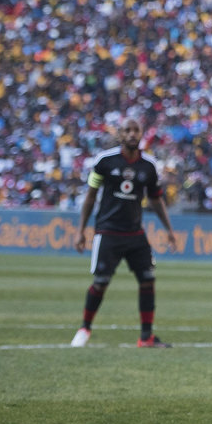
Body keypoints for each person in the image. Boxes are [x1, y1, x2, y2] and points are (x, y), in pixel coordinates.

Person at [71, 117, 178, 348]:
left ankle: (146, 337)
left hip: (135, 234)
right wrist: (81, 230)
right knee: (101, 282)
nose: (131, 134)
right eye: (127, 130)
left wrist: (169, 229)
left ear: (141, 134)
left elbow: (156, 199)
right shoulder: (104, 162)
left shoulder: (148, 166)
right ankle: (84, 328)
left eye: (135, 130)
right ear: (120, 135)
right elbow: (91, 196)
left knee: (148, 279)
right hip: (108, 232)